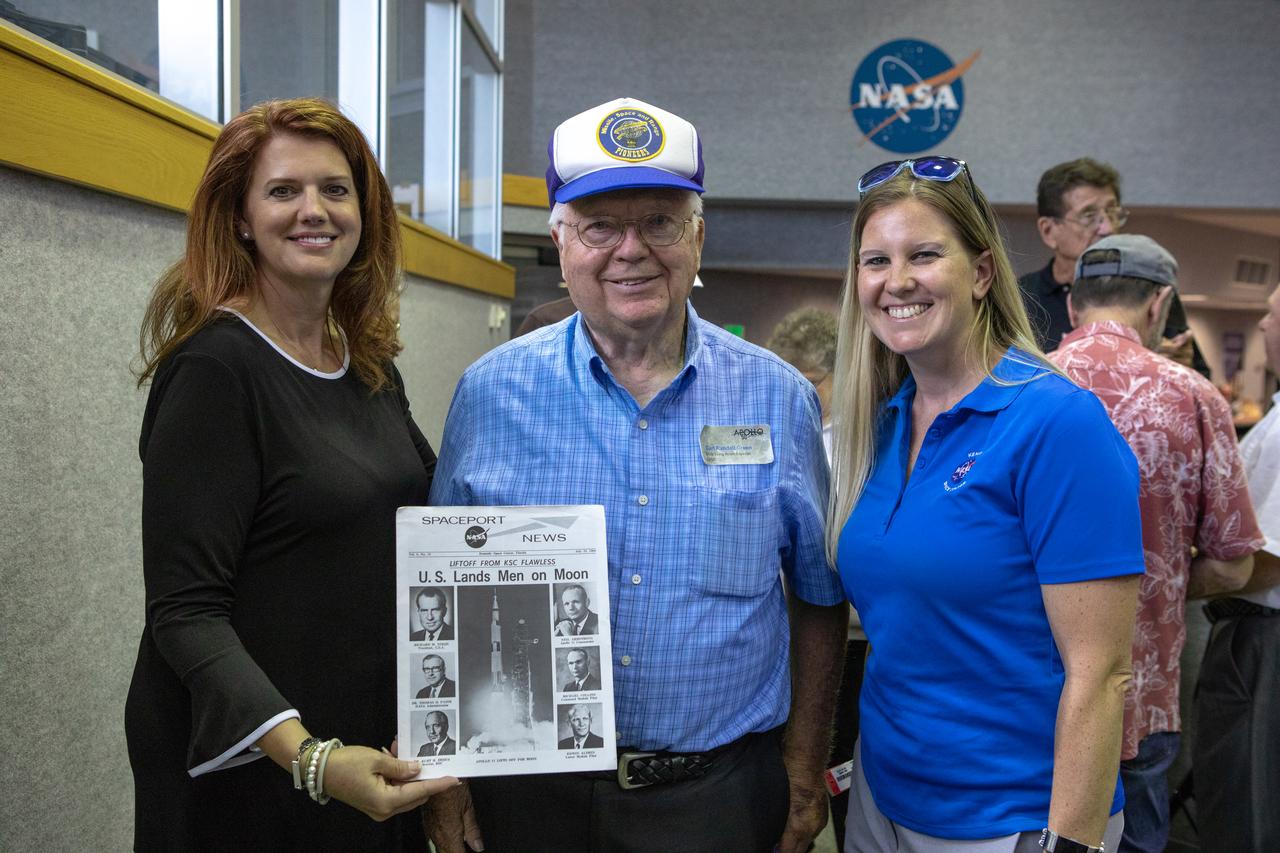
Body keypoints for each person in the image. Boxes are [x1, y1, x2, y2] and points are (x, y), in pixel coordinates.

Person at [425, 97, 847, 853]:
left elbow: (819, 596)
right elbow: (439, 604)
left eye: (660, 221)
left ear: (698, 238)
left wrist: (804, 772)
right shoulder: (490, 395)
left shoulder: (777, 396)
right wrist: (448, 780)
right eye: (600, 226)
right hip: (528, 797)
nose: (631, 250)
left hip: (717, 800)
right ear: (560, 241)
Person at [124, 98, 456, 851]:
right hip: (259, 766)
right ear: (240, 216)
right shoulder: (215, 369)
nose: (315, 210)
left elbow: (428, 517)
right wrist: (311, 758)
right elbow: (185, 612)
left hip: (365, 746)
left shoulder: (365, 361)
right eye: (284, 191)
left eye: (336, 190)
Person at [831, 156, 1145, 851]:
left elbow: (1101, 672)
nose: (898, 280)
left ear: (980, 272)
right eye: (876, 259)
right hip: (882, 802)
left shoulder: (1056, 423)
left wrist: (1069, 842)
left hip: (1013, 818)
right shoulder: (879, 424)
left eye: (924, 254)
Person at [1048, 235, 1263, 853]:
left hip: (1023, 696)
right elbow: (1232, 566)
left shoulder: (1010, 383)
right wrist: (1160, 583)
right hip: (1136, 699)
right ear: (1160, 303)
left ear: (1072, 305)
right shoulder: (1193, 396)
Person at [766, 307, 868, 852]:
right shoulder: (783, 431)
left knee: (845, 769)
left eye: (811, 382)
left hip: (855, 641)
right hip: (790, 636)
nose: (800, 394)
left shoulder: (857, 438)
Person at [1194, 281, 1280, 852]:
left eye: (1271, 314)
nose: (1265, 326)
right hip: (1255, 636)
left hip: (1264, 641)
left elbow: (1267, 562)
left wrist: (1164, 585)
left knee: (1248, 806)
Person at [1017, 158, 1207, 374]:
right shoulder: (1019, 299)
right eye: (1089, 216)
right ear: (1049, 231)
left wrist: (1182, 365)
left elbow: (1203, 381)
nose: (1107, 228)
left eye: (1112, 212)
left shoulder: (1150, 290)